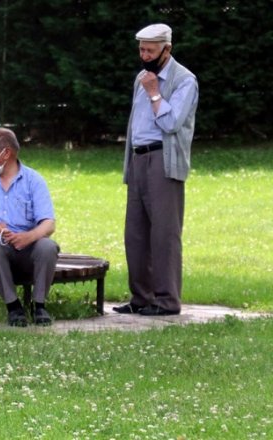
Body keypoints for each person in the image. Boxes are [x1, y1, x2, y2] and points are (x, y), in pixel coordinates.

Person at [114, 24, 198, 316]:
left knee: (164, 234)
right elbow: (135, 125)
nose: (144, 55)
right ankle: (141, 298)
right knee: (135, 233)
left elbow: (172, 123)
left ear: (167, 49)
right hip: (138, 160)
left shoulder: (184, 80)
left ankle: (167, 301)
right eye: (141, 49)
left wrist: (154, 93)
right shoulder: (142, 77)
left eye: (150, 50)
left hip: (164, 160)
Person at [0, 128, 58, 326]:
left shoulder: (34, 180)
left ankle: (40, 305)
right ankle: (13, 307)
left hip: (26, 249)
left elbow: (48, 223)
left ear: (5, 153)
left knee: (48, 246)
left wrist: (29, 237)